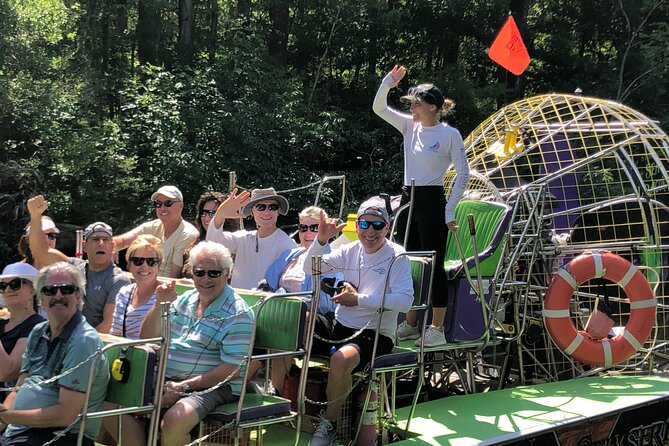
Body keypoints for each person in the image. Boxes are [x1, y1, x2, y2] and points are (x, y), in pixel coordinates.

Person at [106, 241, 253, 446]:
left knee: (174, 420)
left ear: (227, 273)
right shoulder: (186, 299)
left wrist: (183, 386)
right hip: (166, 378)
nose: (205, 279)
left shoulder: (238, 313)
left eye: (214, 273)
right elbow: (147, 337)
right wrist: (159, 305)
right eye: (199, 272)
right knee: (108, 400)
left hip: (215, 386)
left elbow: (232, 370)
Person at [373, 65, 470, 347]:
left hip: (431, 200)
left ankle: (437, 329)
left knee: (433, 263)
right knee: (407, 262)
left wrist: (449, 209)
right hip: (408, 199)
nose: (412, 108)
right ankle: (411, 324)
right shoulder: (409, 126)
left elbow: (462, 172)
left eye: (416, 103)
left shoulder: (449, 134)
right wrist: (387, 83)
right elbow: (379, 108)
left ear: (431, 106)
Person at [303, 204, 413, 446]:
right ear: (357, 226)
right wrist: (321, 239)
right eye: (364, 224)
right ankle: (277, 402)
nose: (370, 232)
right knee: (295, 322)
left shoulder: (397, 255)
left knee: (341, 359)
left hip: (375, 335)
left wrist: (358, 299)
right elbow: (310, 268)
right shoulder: (350, 249)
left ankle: (328, 425)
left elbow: (405, 301)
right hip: (340, 325)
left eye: (377, 225)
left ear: (388, 227)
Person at [0, 262, 110, 446]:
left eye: (66, 289)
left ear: (77, 295)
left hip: (62, 436)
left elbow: (65, 415)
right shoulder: (38, 331)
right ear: (41, 298)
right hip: (22, 430)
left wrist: (8, 417)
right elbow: (20, 387)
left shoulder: (83, 341)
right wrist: (3, 420)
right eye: (50, 290)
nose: (58, 296)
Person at [262, 206, 341, 394]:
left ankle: (274, 390)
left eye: (314, 228)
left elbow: (329, 304)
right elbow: (267, 284)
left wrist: (292, 303)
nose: (307, 233)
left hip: (318, 321)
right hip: (283, 314)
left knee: (289, 319)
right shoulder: (290, 255)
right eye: (303, 228)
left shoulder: (333, 259)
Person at [27, 195, 131, 333]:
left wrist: (80, 343)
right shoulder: (73, 267)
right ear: (84, 246)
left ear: (112, 246)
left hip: (92, 344)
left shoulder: (119, 280)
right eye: (95, 239)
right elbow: (41, 252)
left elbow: (107, 325)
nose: (101, 243)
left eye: (106, 240)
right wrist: (35, 216)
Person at [206, 187, 296, 289]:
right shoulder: (243, 239)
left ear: (278, 211)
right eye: (260, 207)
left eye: (272, 207)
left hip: (266, 303)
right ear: (252, 211)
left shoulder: (287, 245)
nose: (267, 212)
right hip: (237, 303)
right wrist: (220, 214)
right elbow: (212, 243)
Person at [114, 185, 199, 278]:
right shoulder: (151, 227)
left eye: (168, 203)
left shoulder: (188, 234)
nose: (162, 208)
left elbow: (174, 277)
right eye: (158, 204)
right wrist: (111, 247)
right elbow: (122, 241)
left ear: (181, 206)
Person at [0, 263, 46, 408]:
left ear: (32, 289)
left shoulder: (37, 326)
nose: (8, 289)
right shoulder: (2, 324)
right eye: (3, 286)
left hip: (12, 409)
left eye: (15, 284)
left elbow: (8, 372)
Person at [109, 235, 163, 339]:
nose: (144, 266)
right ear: (129, 264)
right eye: (137, 261)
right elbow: (115, 335)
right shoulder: (124, 293)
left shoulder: (165, 295)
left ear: (159, 265)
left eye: (151, 261)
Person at [182, 191, 240, 278]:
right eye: (203, 213)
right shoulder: (193, 244)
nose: (206, 218)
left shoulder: (236, 246)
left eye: (213, 214)